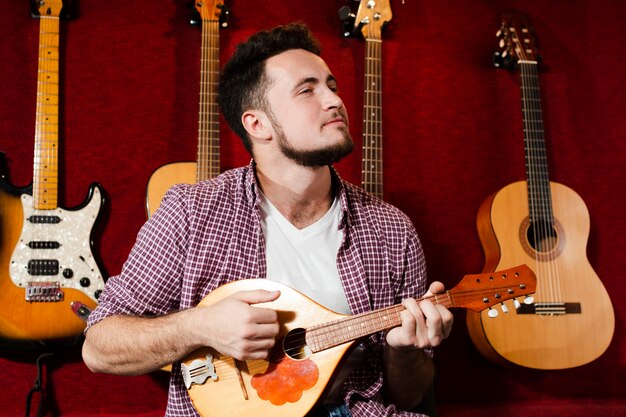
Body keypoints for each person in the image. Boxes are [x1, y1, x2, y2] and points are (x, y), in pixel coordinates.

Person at [82, 22, 453, 417]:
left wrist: (404, 350)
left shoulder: (392, 230)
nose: (334, 100)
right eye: (307, 90)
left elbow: (409, 395)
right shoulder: (192, 211)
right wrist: (199, 327)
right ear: (257, 124)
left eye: (332, 86)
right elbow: (99, 347)